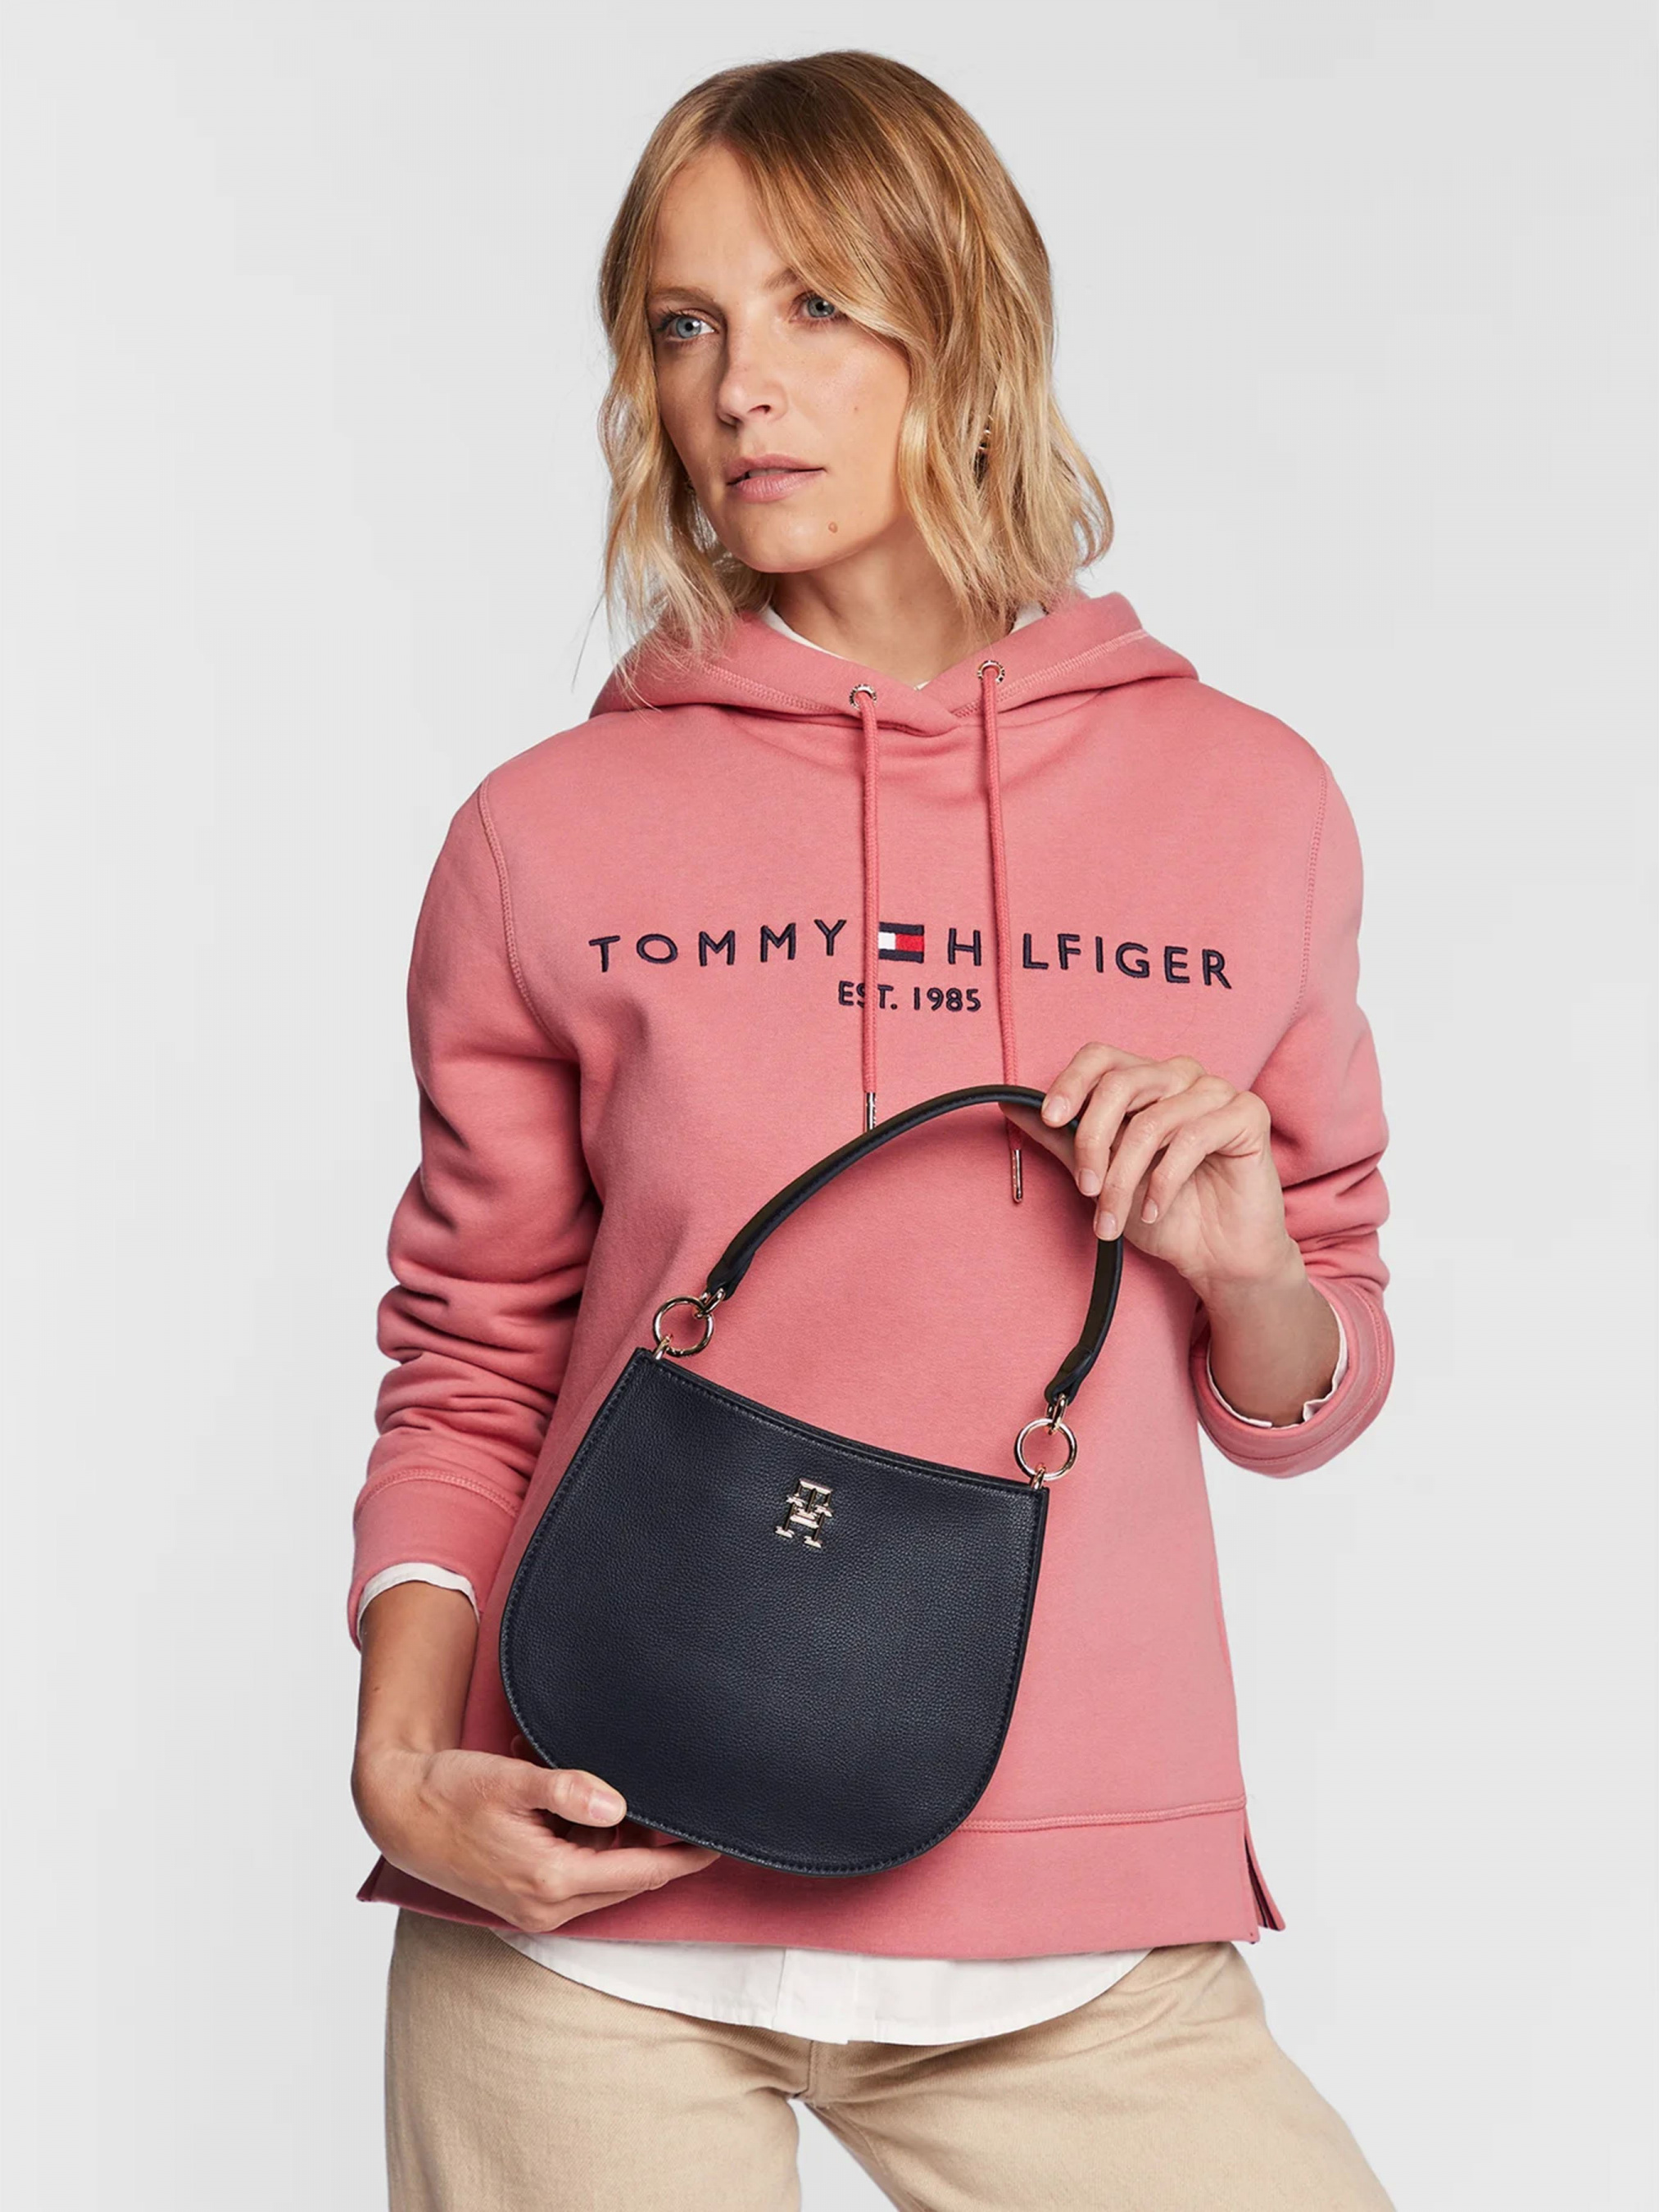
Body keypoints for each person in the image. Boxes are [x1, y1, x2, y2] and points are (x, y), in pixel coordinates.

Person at [347, 48, 1398, 2212]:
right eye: (684, 323)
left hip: (1073, 1919)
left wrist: (1247, 1266)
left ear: (967, 317)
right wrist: (401, 1758)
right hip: (585, 1909)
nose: (740, 386)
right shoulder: (547, 832)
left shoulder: (1251, 802)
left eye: (815, 305)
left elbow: (1312, 1370)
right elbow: (472, 1344)